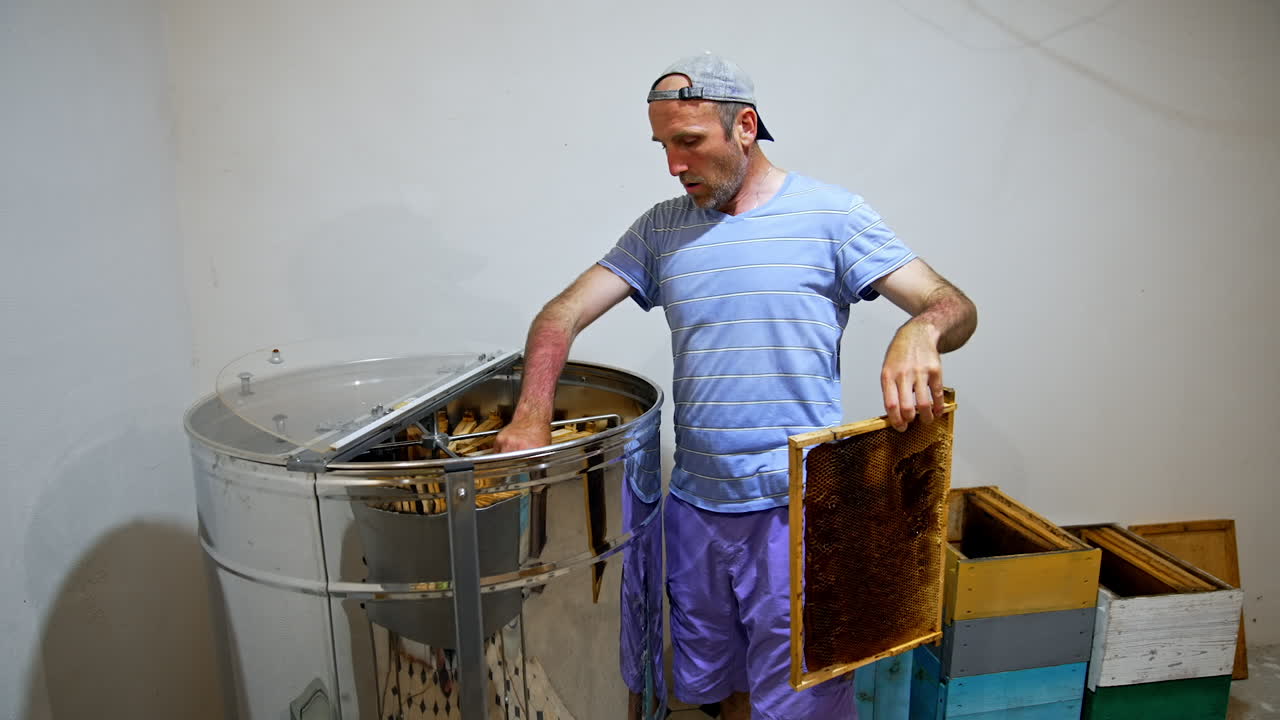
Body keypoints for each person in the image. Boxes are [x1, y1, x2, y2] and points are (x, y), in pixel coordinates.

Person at [495, 54, 977, 720]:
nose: (674, 164)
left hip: (795, 514)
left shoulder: (833, 216)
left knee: (802, 699)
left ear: (744, 125)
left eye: (689, 141)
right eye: (664, 145)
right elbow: (562, 312)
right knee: (718, 690)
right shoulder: (660, 229)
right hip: (694, 511)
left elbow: (952, 304)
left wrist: (919, 331)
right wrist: (531, 413)